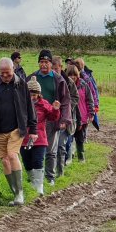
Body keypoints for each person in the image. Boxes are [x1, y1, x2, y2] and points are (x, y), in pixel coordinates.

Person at [0, 58, 37, 206]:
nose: (5, 76)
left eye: (8, 73)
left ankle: (20, 193)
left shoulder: (21, 84)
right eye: (2, 73)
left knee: (12, 155)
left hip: (16, 128)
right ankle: (14, 193)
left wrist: (33, 128)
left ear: (13, 70)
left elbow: (29, 107)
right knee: (5, 161)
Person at [29, 50, 72, 186]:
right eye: (41, 62)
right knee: (33, 149)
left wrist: (64, 119)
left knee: (51, 151)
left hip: (52, 119)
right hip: (34, 120)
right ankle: (34, 177)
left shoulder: (59, 80)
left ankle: (50, 177)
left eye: (46, 62)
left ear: (50, 63)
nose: (44, 65)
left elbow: (66, 101)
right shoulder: (32, 78)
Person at [20, 76, 61, 196]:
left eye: (34, 95)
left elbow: (53, 117)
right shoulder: (21, 104)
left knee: (38, 161)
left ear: (39, 94)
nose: (32, 97)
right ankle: (32, 183)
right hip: (24, 139)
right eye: (30, 94)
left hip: (40, 139)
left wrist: (55, 109)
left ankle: (39, 188)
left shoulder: (44, 104)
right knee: (27, 163)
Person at [52, 58, 79, 166]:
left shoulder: (68, 81)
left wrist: (66, 107)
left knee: (63, 144)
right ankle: (55, 167)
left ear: (61, 67)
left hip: (65, 117)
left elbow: (75, 97)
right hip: (51, 117)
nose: (54, 71)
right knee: (52, 145)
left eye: (56, 68)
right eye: (52, 68)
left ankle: (61, 166)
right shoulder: (48, 80)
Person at [66, 64, 94, 162]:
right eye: (70, 75)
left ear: (78, 75)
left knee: (80, 138)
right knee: (69, 138)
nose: (72, 77)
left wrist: (91, 113)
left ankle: (81, 157)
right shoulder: (64, 84)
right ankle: (69, 157)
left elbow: (89, 99)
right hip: (69, 116)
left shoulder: (83, 84)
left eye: (74, 74)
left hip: (82, 117)